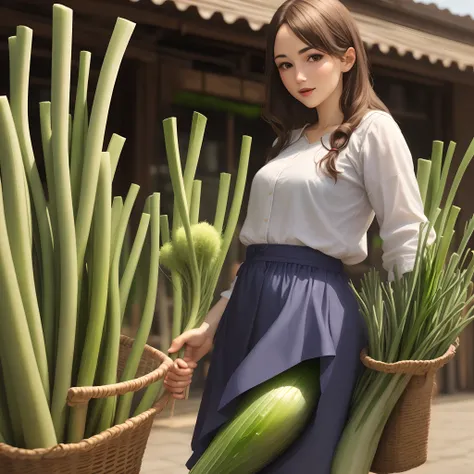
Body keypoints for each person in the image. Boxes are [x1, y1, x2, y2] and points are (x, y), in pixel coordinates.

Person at [164, 0, 435, 472]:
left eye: (313, 57)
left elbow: (406, 231)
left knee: (289, 456)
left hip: (313, 313)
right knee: (229, 452)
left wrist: (412, 338)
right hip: (253, 301)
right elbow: (262, 248)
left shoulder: (373, 130)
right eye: (285, 64)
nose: (298, 76)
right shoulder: (291, 138)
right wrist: (211, 324)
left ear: (348, 58)